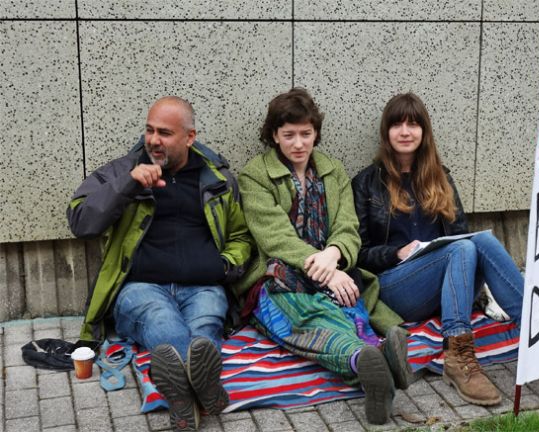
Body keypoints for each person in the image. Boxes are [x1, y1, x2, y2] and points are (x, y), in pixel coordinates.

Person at [351, 93, 539, 406]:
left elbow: (461, 237)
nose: (405, 132)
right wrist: (395, 253)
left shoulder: (440, 177)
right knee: (461, 249)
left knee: (479, 242)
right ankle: (457, 357)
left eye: (413, 124)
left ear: (424, 131)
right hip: (395, 288)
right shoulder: (365, 183)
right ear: (386, 132)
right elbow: (359, 253)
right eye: (397, 125)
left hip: (447, 287)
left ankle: (537, 339)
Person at [67, 96, 253, 431]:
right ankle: (204, 390)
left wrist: (226, 266)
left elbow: (240, 236)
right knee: (160, 320)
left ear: (190, 137)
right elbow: (81, 221)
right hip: (141, 286)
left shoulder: (218, 179)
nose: (153, 140)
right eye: (150, 130)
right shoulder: (123, 170)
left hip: (203, 286)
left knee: (205, 328)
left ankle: (180, 395)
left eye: (165, 133)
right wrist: (128, 184)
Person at [233, 88, 410, 425]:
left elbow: (347, 225)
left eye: (306, 133)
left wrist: (334, 253)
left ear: (316, 132)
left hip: (334, 267)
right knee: (310, 315)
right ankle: (367, 358)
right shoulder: (255, 175)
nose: (299, 143)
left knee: (347, 302)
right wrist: (326, 268)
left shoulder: (333, 170)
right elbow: (275, 237)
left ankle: (372, 358)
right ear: (274, 135)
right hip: (282, 273)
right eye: (289, 135)